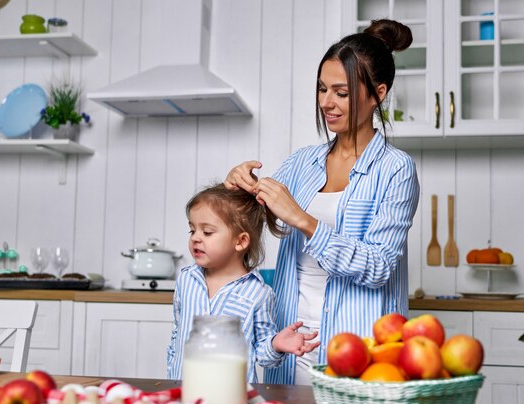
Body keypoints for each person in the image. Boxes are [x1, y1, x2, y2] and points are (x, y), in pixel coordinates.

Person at [224, 19, 420, 385]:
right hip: (290, 345)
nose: (326, 103)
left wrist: (304, 220)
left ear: (378, 93)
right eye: (322, 89)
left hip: (359, 352)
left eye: (341, 93)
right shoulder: (302, 163)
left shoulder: (396, 170)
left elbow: (379, 267)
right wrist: (238, 187)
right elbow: (247, 220)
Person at [166, 183, 319, 383]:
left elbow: (264, 356)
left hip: (232, 401)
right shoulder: (186, 280)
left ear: (240, 241)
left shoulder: (258, 293)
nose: (195, 238)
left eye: (208, 232)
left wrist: (276, 344)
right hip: (184, 394)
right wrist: (171, 378)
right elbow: (177, 336)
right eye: (192, 230)